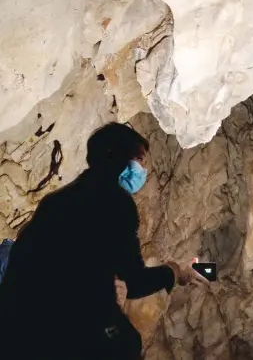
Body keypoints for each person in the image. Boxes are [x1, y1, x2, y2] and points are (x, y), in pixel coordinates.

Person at [0, 122, 209, 360]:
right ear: (118, 158)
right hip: (45, 331)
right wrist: (175, 271)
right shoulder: (116, 202)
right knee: (126, 342)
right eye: (140, 161)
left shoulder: (56, 199)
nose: (144, 170)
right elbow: (136, 282)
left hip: (12, 322)